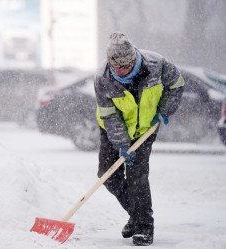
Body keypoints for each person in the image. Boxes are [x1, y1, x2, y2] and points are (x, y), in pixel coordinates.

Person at [94, 32, 185, 246]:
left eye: (125, 68)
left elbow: (177, 84)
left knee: (137, 177)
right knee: (107, 175)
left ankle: (144, 227)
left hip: (145, 129)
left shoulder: (157, 63)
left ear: (133, 59)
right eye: (117, 69)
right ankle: (136, 216)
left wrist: (164, 110)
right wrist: (122, 144)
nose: (121, 72)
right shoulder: (102, 78)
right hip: (111, 129)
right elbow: (109, 114)